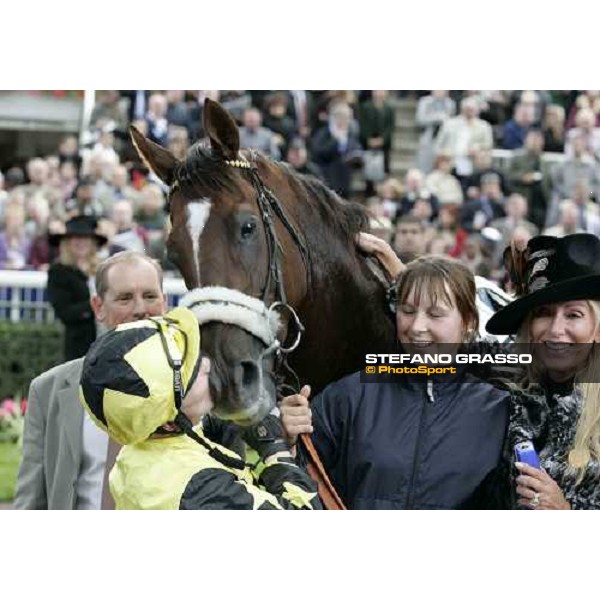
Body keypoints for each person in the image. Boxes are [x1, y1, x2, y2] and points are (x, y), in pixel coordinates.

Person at [281, 247, 509, 509]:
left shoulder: (498, 410)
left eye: (435, 314)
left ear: (468, 321)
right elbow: (298, 487)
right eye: (408, 311)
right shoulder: (351, 395)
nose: (416, 327)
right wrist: (287, 442)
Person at [79, 306, 322, 510]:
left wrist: (255, 426)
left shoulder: (146, 441)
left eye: (195, 355)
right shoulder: (198, 485)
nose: (206, 364)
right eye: (192, 373)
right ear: (169, 421)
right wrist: (275, 447)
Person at [14, 251, 168, 509]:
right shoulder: (48, 390)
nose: (141, 309)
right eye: (125, 298)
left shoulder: (200, 389)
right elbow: (31, 498)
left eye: (150, 296)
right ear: (98, 307)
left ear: (165, 304)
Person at [486, 233, 600, 509]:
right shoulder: (504, 388)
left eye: (573, 315)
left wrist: (564, 513)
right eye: (543, 313)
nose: (555, 330)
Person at [46, 216, 106, 361]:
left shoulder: (104, 268)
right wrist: (96, 304)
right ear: (67, 242)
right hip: (79, 344)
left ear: (93, 242)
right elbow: (65, 312)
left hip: (107, 339)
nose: (81, 242)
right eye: (76, 238)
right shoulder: (58, 271)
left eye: (85, 238)